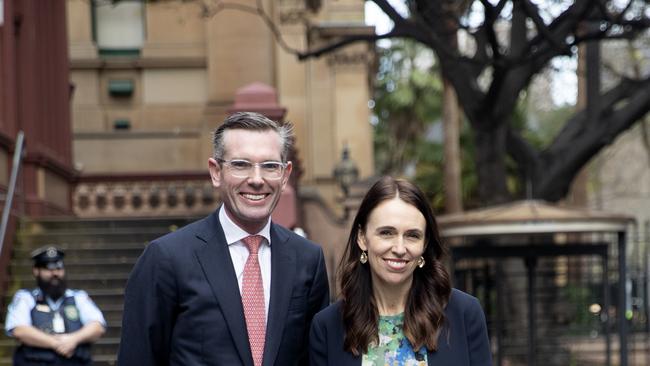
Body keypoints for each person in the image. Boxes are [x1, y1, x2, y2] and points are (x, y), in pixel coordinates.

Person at [118, 112, 330, 366]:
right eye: (241, 164)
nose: (256, 179)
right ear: (216, 172)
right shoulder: (166, 258)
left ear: (285, 175)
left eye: (270, 166)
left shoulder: (307, 259)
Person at [310, 176, 492, 366]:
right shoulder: (327, 327)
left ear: (425, 243)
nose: (399, 248)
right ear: (362, 237)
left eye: (412, 235)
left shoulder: (464, 314)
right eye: (387, 233)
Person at [4, 246, 106, 365]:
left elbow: (97, 326)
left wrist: (73, 339)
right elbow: (19, 330)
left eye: (59, 268)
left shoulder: (79, 297)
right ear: (36, 271)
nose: (55, 273)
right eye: (48, 269)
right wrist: (57, 343)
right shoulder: (25, 297)